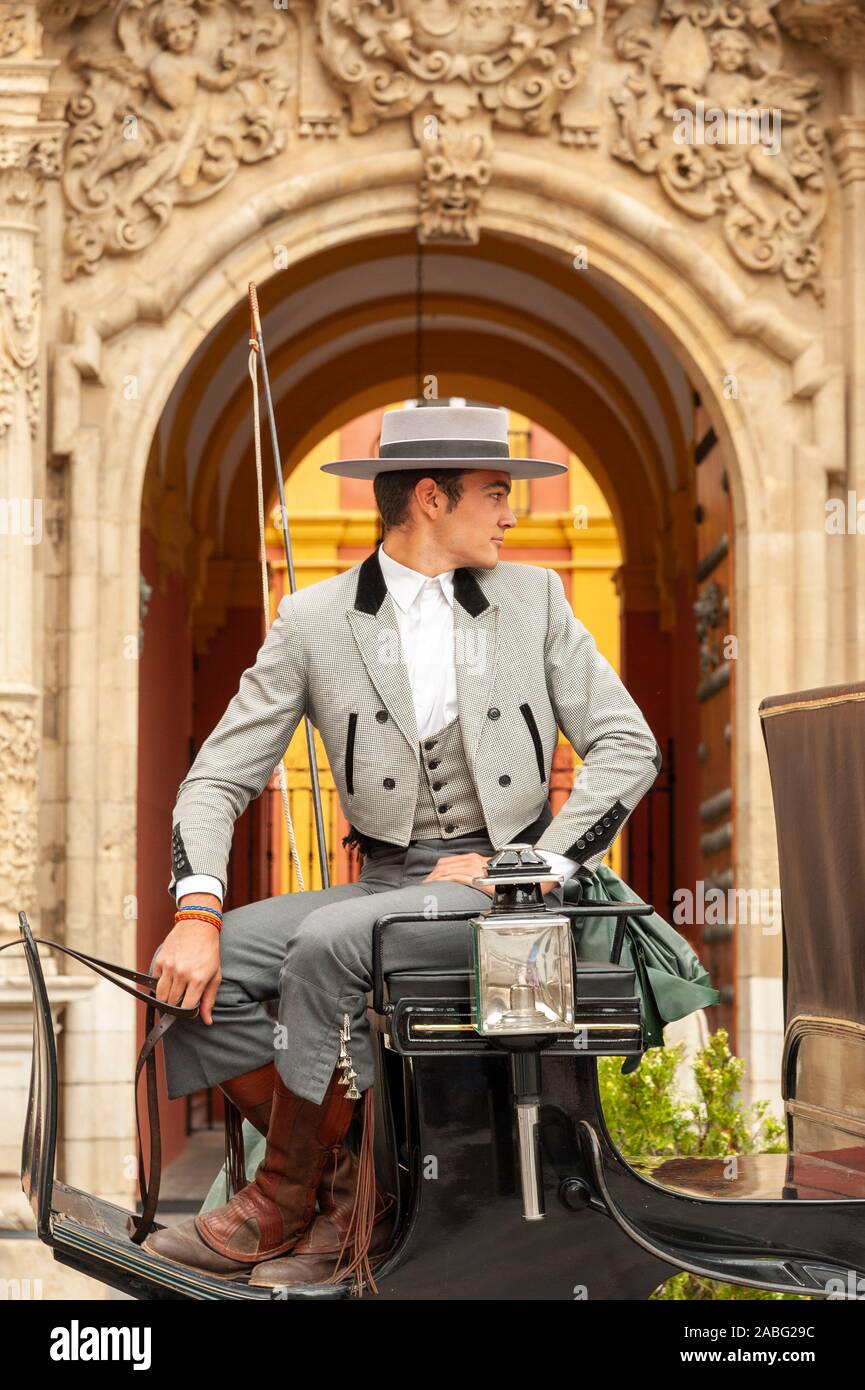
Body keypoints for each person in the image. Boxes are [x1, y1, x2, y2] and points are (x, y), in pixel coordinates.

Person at [143, 402, 662, 1288]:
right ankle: (350, 1187)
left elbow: (629, 745)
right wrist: (196, 908)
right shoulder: (311, 620)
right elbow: (216, 777)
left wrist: (528, 863)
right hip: (386, 881)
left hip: (505, 892)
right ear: (430, 496)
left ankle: (276, 1198)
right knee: (194, 978)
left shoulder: (534, 598)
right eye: (496, 492)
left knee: (328, 943)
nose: (510, 513)